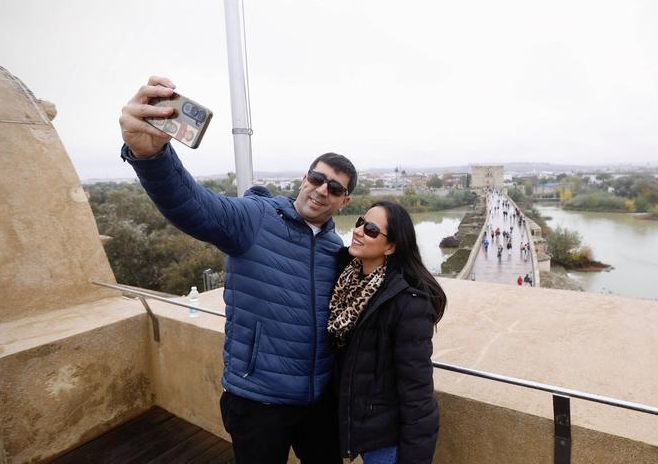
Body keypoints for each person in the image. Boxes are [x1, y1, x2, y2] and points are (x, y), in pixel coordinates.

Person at [118, 76, 353, 464]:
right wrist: (152, 157)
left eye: (335, 188)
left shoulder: (336, 250)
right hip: (258, 402)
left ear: (344, 202)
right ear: (304, 179)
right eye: (317, 178)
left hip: (317, 403)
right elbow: (193, 206)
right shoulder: (256, 218)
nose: (321, 190)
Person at [329, 202, 443, 463]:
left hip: (385, 439)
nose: (358, 231)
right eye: (360, 222)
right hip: (353, 424)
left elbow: (417, 390)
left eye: (370, 230)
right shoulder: (347, 280)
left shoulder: (408, 302)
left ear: (391, 247)